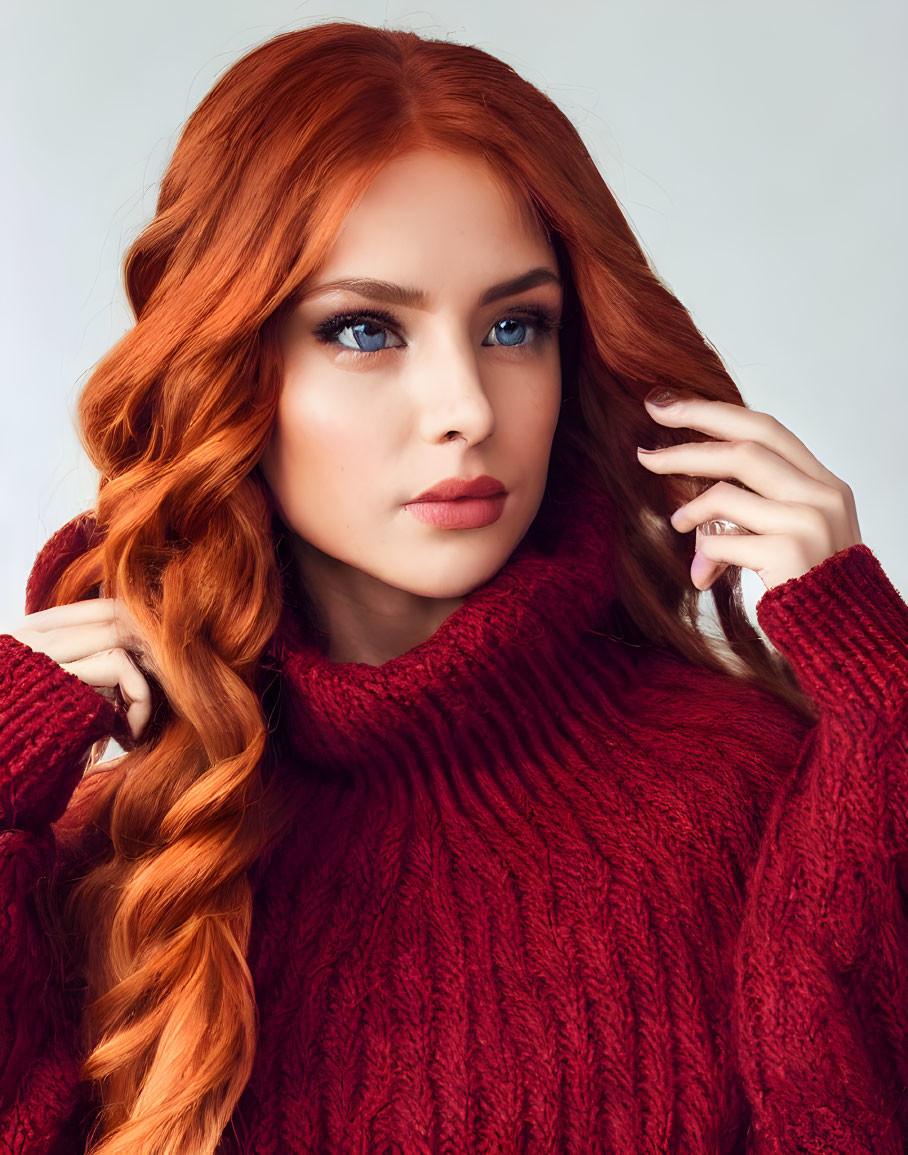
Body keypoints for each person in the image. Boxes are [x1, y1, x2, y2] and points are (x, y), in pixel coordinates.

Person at [1, 19, 905, 1155]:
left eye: (514, 326)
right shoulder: (136, 841)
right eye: (366, 329)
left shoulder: (751, 789)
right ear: (229, 367)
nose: (467, 408)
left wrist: (885, 706)